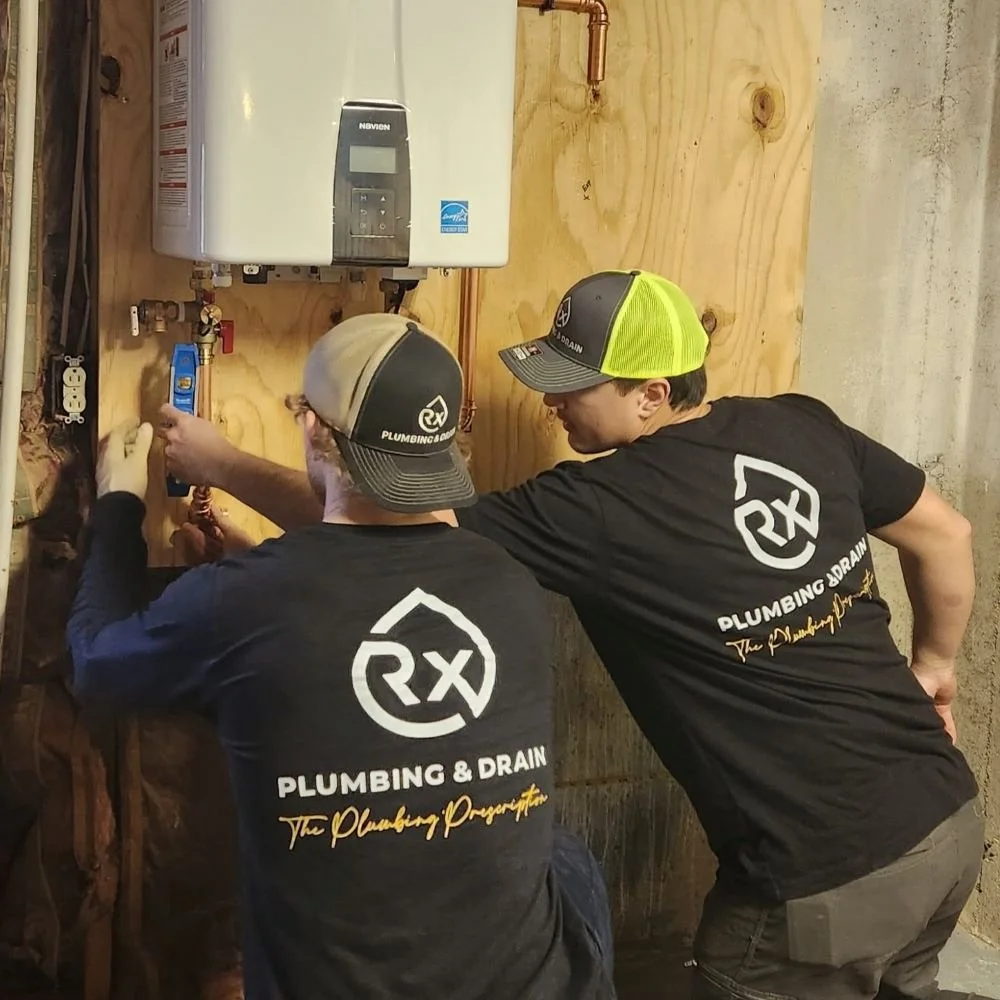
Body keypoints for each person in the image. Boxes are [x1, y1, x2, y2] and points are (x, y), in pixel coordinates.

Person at [159, 271, 982, 1000]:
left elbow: (398, 513)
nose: (550, 401)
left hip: (821, 885)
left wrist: (221, 461)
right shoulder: (801, 424)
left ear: (652, 394)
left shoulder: (597, 510)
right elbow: (946, 536)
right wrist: (934, 669)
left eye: (574, 385)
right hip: (947, 820)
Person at [67, 314, 617, 1000]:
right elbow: (370, 600)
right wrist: (249, 578)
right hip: (545, 987)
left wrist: (119, 504)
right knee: (558, 851)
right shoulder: (509, 583)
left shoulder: (247, 603)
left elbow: (96, 664)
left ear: (315, 430)